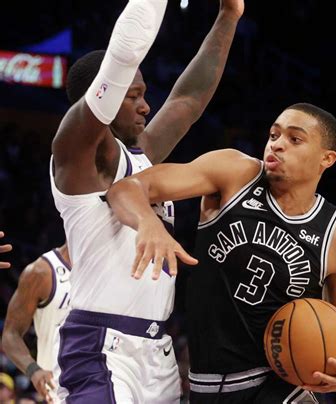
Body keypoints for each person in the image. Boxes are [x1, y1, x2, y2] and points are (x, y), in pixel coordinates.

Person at [106, 102, 336, 403]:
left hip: (280, 387)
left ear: (327, 158)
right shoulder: (235, 173)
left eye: (294, 139)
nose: (277, 145)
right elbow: (125, 189)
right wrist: (147, 222)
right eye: (274, 135)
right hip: (204, 384)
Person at [49, 0, 244, 402]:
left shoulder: (141, 155)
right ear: (102, 96)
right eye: (132, 95)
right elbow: (122, 56)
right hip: (100, 345)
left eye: (144, 94)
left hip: (158, 352)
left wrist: (229, 15)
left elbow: (187, 101)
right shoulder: (76, 156)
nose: (145, 105)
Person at [2, 244, 71, 404]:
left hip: (108, 380)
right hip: (59, 390)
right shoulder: (42, 272)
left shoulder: (113, 271)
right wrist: (33, 370)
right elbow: (10, 334)